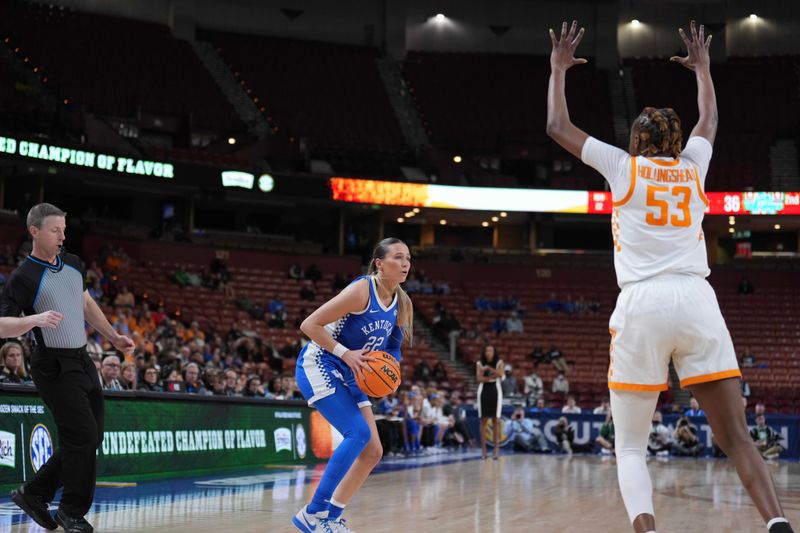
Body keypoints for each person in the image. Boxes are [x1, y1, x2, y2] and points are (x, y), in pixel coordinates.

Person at [547, 20, 793, 533]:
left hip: (641, 304)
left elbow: (557, 127)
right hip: (697, 300)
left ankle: (647, 528)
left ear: (636, 140)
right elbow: (709, 120)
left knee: (632, 444)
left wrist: (557, 69)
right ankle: (776, 524)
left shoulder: (623, 167)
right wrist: (703, 69)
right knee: (738, 438)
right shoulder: (693, 165)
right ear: (674, 141)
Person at [1, 203, 134, 533]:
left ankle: (34, 493)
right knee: (83, 436)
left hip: (83, 359)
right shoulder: (24, 277)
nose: (63, 236)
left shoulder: (73, 263)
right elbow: (2, 325)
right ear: (35, 231)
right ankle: (71, 512)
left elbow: (86, 304)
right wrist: (34, 319)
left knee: (91, 437)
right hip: (52, 364)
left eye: (64, 229)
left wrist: (114, 337)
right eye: (55, 230)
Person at [293, 238, 412, 533]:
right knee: (357, 433)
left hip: (352, 372)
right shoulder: (361, 291)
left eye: (408, 258)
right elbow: (309, 325)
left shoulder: (403, 303)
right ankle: (312, 514)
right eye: (398, 257)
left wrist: (392, 371)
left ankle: (331, 518)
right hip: (321, 363)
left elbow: (394, 347)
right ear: (379, 264)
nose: (406, 263)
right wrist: (345, 353)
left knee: (373, 451)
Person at [476, 344, 504, 460]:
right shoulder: (479, 363)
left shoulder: (499, 362)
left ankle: (496, 451)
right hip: (483, 391)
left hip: (496, 391)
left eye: (491, 350)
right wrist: (492, 375)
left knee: (495, 420)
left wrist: (488, 369)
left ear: (494, 352)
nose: (488, 352)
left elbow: (501, 374)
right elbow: (479, 379)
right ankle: (484, 451)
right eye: (486, 350)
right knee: (483, 420)